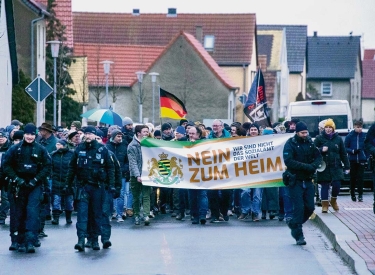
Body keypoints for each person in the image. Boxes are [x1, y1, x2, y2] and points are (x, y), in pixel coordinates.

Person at [65, 125, 115, 251]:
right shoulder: (79, 149)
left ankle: (95, 240)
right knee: (82, 215)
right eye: (86, 134)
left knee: (96, 214)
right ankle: (81, 240)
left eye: (90, 134)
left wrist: (112, 185)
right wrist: (68, 184)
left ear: (95, 135)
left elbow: (110, 168)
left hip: (98, 187)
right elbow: (72, 168)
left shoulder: (102, 150)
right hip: (83, 186)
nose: (88, 136)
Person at [3, 123, 52, 252]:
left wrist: (36, 179)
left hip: (34, 185)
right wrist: (17, 179)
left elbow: (47, 166)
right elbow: (6, 165)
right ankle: (17, 240)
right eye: (27, 134)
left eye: (32, 134)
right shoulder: (15, 149)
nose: (29, 137)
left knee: (32, 213)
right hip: (18, 185)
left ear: (35, 135)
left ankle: (30, 240)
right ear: (24, 134)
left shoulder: (41, 149)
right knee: (17, 213)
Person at [283, 121, 322, 245]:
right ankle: (299, 235)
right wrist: (306, 167)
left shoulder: (310, 143)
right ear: (297, 132)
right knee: (299, 208)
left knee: (310, 207)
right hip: (295, 180)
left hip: (308, 179)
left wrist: (314, 166)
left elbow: (318, 157)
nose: (305, 134)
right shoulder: (290, 144)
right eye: (302, 132)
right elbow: (288, 161)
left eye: (306, 132)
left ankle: (294, 223)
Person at [314, 119, 350, 213]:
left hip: (336, 166)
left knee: (337, 184)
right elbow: (313, 151)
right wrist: (321, 149)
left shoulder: (338, 139)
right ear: (324, 128)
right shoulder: (319, 138)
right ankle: (325, 205)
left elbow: (343, 153)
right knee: (324, 185)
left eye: (330, 127)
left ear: (333, 128)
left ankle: (333, 200)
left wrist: (347, 166)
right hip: (324, 166)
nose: (328, 129)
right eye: (327, 127)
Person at [207, 119, 231, 222]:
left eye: (217, 126)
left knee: (227, 193)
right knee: (212, 193)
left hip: (226, 169)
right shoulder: (208, 138)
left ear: (222, 127)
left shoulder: (229, 138)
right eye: (213, 126)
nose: (215, 127)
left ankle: (224, 212)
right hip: (212, 169)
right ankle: (214, 214)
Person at [238, 123, 263, 222]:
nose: (253, 131)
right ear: (249, 131)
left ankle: (255, 213)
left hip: (260, 172)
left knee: (257, 194)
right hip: (246, 172)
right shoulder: (243, 142)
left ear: (258, 131)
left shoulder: (264, 142)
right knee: (245, 191)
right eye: (251, 130)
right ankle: (245, 210)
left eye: (255, 130)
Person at [127, 124, 152, 225]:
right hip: (135, 175)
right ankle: (136, 215)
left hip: (147, 174)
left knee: (146, 196)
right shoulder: (132, 146)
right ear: (139, 133)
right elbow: (132, 163)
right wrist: (137, 175)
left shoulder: (149, 143)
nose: (147, 133)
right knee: (136, 196)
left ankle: (146, 215)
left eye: (147, 131)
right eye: (145, 132)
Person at [106, 129, 130, 222]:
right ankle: (111, 213)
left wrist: (123, 169)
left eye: (121, 136)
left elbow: (127, 161)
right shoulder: (107, 146)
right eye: (118, 136)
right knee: (110, 194)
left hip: (121, 174)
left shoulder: (124, 147)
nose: (120, 138)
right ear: (113, 136)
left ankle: (119, 214)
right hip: (110, 174)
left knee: (121, 194)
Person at [50, 139, 74, 225]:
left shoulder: (71, 154)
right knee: (56, 200)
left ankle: (68, 217)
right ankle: (56, 218)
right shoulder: (53, 155)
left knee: (68, 201)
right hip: (56, 180)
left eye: (60, 144)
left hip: (68, 181)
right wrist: (52, 175)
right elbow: (50, 166)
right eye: (57, 144)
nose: (58, 146)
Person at [187, 126, 208, 225]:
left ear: (198, 134)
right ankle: (195, 216)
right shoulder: (183, 143)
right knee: (192, 196)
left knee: (202, 194)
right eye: (189, 133)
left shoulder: (205, 143)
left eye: (193, 133)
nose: (190, 135)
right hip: (190, 174)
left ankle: (202, 215)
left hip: (202, 172)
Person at [345, 120, 367, 202]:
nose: (359, 129)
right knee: (353, 178)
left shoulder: (364, 136)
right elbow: (345, 148)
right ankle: (353, 193)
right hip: (352, 160)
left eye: (361, 127)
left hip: (361, 159)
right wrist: (352, 151)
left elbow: (367, 147)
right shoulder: (350, 136)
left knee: (361, 177)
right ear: (354, 127)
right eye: (358, 127)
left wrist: (366, 156)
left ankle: (360, 195)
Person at [0, 130, 11, 225]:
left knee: (5, 198)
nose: (1, 138)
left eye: (2, 137)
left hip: (5, 176)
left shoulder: (10, 148)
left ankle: (2, 216)